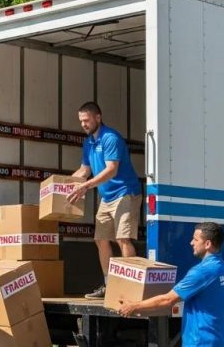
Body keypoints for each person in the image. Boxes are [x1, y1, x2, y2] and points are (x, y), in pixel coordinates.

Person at [67, 101, 142, 299]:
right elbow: (84, 170)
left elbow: (111, 169)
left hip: (126, 193)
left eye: (86, 120)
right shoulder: (88, 142)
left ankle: (131, 286)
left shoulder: (111, 138)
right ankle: (109, 285)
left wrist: (85, 186)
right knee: (101, 240)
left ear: (98, 118)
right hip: (107, 197)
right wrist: (61, 186)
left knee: (122, 238)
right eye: (81, 121)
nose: (83, 124)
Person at [118, 222, 224, 347]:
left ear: (207, 244)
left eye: (195, 239)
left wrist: (133, 306)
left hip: (200, 342)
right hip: (218, 340)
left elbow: (168, 300)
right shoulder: (223, 267)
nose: (191, 243)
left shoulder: (202, 271)